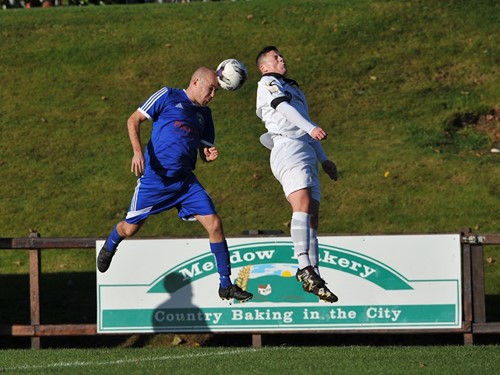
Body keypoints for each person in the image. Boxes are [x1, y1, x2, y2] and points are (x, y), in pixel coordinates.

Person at [97, 66, 253, 303]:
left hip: (185, 182)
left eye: (215, 91)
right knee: (130, 229)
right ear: (195, 82)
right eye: (210, 89)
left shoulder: (205, 115)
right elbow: (133, 120)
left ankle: (225, 285)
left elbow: (202, 150)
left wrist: (207, 154)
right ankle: (111, 244)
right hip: (156, 179)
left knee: (215, 224)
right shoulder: (168, 95)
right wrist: (138, 153)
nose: (212, 95)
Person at [255, 46, 339, 303]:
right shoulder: (267, 83)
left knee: (312, 217)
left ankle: (315, 275)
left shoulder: (295, 89)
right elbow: (282, 108)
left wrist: (324, 159)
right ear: (264, 66)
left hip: (304, 149)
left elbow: (303, 122)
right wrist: (311, 127)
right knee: (301, 204)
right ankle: (303, 266)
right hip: (286, 146)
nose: (282, 58)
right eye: (275, 57)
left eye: (282, 55)